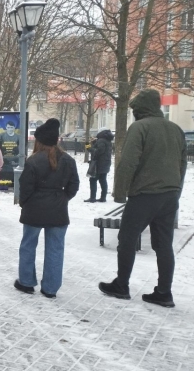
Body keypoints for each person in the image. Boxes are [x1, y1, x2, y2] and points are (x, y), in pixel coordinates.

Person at [98, 89, 187, 308]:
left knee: (127, 239)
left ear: (140, 110)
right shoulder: (176, 129)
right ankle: (164, 292)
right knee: (164, 245)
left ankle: (122, 285)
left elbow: (128, 162)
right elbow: (182, 164)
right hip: (170, 195)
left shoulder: (139, 128)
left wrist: (120, 192)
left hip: (145, 194)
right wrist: (177, 191)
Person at [14, 119, 80, 298]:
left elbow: (25, 187)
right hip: (58, 210)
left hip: (34, 209)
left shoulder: (34, 160)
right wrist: (63, 198)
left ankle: (26, 282)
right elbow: (74, 185)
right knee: (55, 248)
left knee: (28, 245)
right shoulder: (68, 160)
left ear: (39, 141)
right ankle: (50, 288)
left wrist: (25, 204)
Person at [83, 127, 113, 202]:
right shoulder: (108, 141)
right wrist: (94, 144)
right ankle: (103, 198)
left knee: (93, 180)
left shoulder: (101, 140)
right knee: (103, 180)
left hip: (98, 164)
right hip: (106, 163)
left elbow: (98, 151)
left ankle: (92, 198)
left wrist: (88, 147)